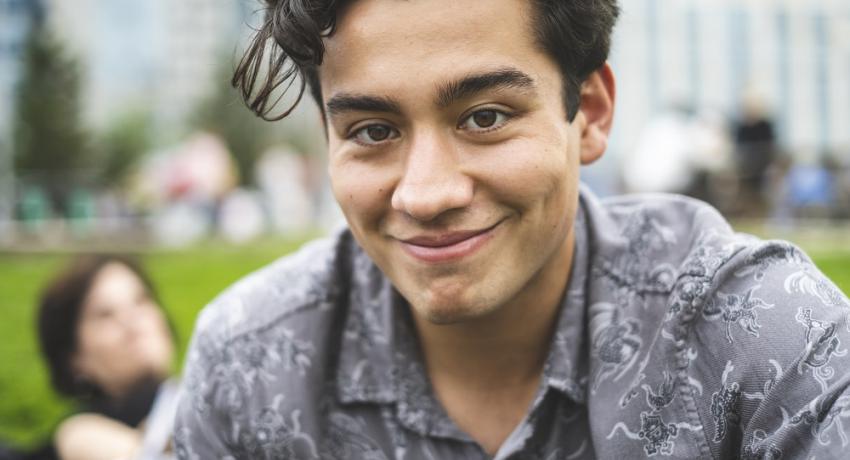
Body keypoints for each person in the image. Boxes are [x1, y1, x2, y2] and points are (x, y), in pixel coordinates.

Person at [174, 0, 850, 458]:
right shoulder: (249, 366)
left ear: (587, 113)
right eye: (373, 131)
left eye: (485, 117)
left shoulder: (759, 333)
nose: (426, 193)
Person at [38, 255, 179, 460]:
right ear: (74, 357)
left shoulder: (205, 392)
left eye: (141, 300)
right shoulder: (80, 435)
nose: (132, 320)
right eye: (105, 314)